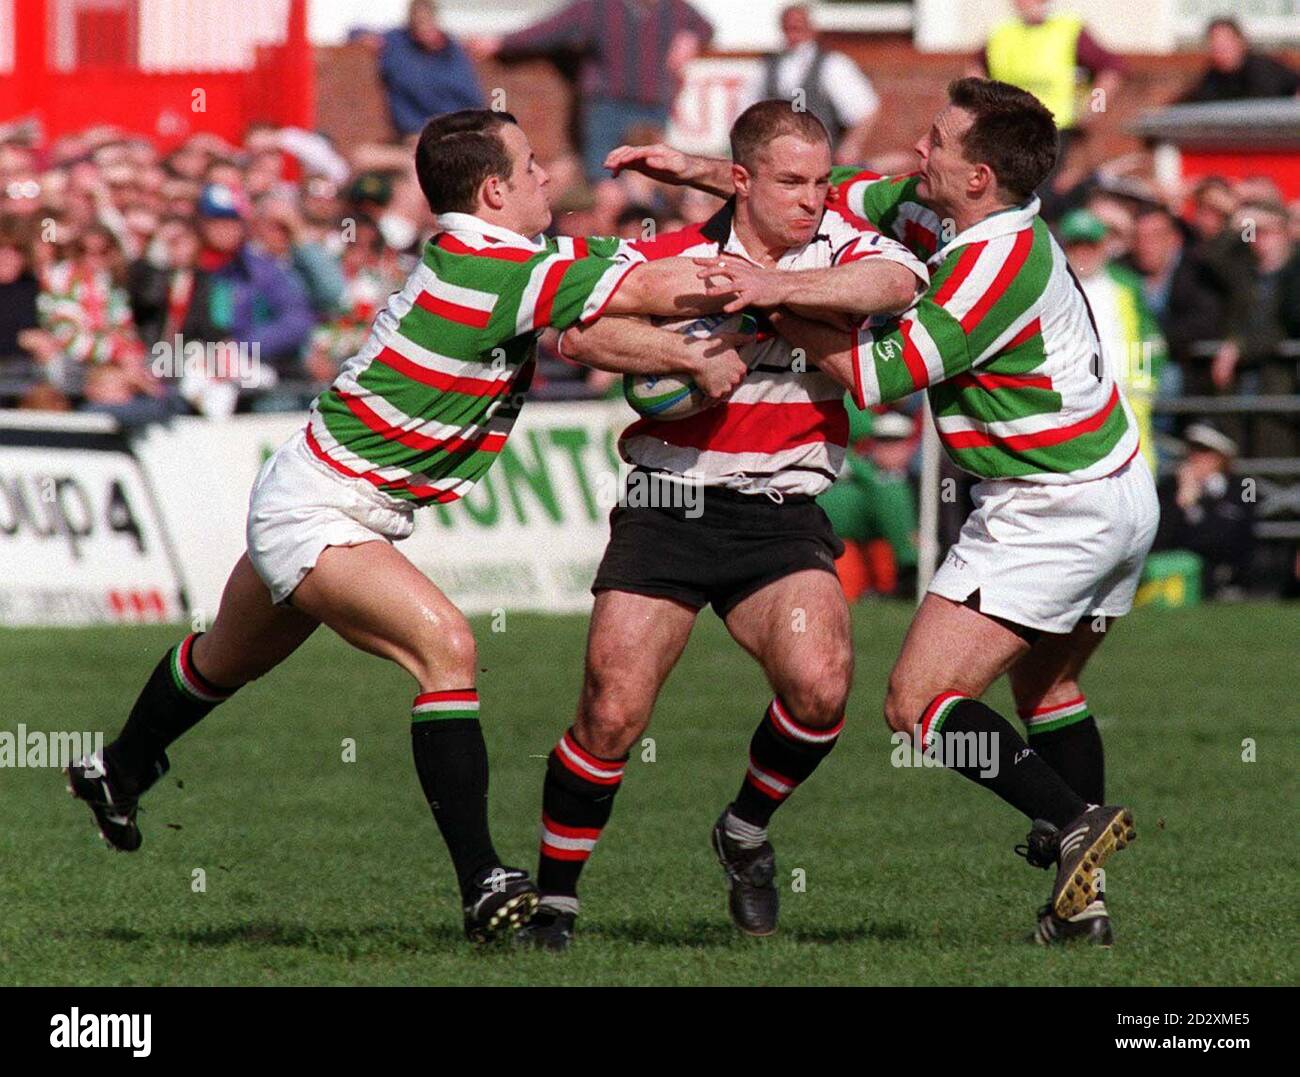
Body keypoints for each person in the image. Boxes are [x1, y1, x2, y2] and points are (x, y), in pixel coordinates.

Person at [64, 109, 753, 945]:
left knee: (222, 661)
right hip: (321, 503)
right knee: (447, 647)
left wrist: (736, 211)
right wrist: (764, 291)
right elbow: (649, 288)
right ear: (494, 189)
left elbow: (638, 262)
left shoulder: (505, 260)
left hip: (315, 483)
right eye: (532, 166)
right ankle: (481, 882)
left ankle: (117, 770)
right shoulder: (500, 271)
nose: (547, 179)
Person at [617, 77, 1153, 946]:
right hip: (1113, 488)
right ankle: (1080, 904)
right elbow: (814, 194)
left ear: (977, 177)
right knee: (1048, 685)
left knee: (920, 703)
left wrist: (770, 294)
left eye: (936, 141)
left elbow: (873, 379)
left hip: (1053, 505)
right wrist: (693, 169)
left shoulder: (997, 265)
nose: (917, 151)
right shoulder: (938, 210)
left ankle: (1071, 824)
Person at [515, 101, 927, 950]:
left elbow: (899, 284)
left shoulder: (843, 247)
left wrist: (769, 294)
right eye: (789, 182)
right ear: (740, 180)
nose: (812, 199)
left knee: (821, 683)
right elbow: (574, 328)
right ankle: (554, 902)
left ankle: (744, 830)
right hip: (669, 501)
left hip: (777, 511)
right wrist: (680, 354)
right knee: (612, 711)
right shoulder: (670, 258)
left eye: (819, 181)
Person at [469, 0, 713, 182]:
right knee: (604, 179)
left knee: (650, 182)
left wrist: (691, 37)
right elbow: (550, 30)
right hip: (606, 107)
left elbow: (706, 27)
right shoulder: (599, 6)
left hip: (651, 108)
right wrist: (501, 42)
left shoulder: (675, 9)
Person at [971, 0, 1124, 188]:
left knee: (1046, 194)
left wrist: (1096, 105)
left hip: (1054, 132)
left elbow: (1110, 69)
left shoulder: (1068, 30)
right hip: (1008, 131)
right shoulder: (1000, 33)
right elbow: (974, 72)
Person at [1058, 208, 1166, 471]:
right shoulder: (1053, 286)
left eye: (1090, 245)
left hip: (1125, 403)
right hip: (1069, 406)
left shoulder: (1127, 286)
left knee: (1133, 480)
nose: (1083, 253)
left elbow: (1151, 341)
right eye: (1076, 245)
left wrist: (1144, 384)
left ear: (1103, 246)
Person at [752, 4, 881, 165]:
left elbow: (865, 111)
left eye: (798, 28)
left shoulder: (833, 64)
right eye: (788, 29)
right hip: (775, 160)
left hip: (822, 161)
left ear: (811, 29)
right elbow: (750, 111)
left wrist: (850, 147)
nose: (793, 36)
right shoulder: (767, 66)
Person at [1152, 423, 1254, 598]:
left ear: (1222, 457)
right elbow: (1160, 541)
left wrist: (1194, 511)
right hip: (1177, 582)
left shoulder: (1245, 487)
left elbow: (1236, 539)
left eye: (1205, 451)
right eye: (1193, 450)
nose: (1196, 457)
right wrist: (1183, 504)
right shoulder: (1169, 489)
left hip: (1227, 581)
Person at [377, 0, 486, 138]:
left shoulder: (452, 51)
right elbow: (360, 33)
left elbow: (471, 96)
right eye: (419, 23)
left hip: (456, 128)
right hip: (417, 131)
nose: (424, 29)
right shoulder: (397, 45)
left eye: (427, 21)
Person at [1180, 16, 1299, 104]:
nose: (1221, 49)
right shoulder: (1210, 79)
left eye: (1225, 43)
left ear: (1240, 41)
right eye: (1215, 44)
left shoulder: (1266, 69)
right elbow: (1185, 106)